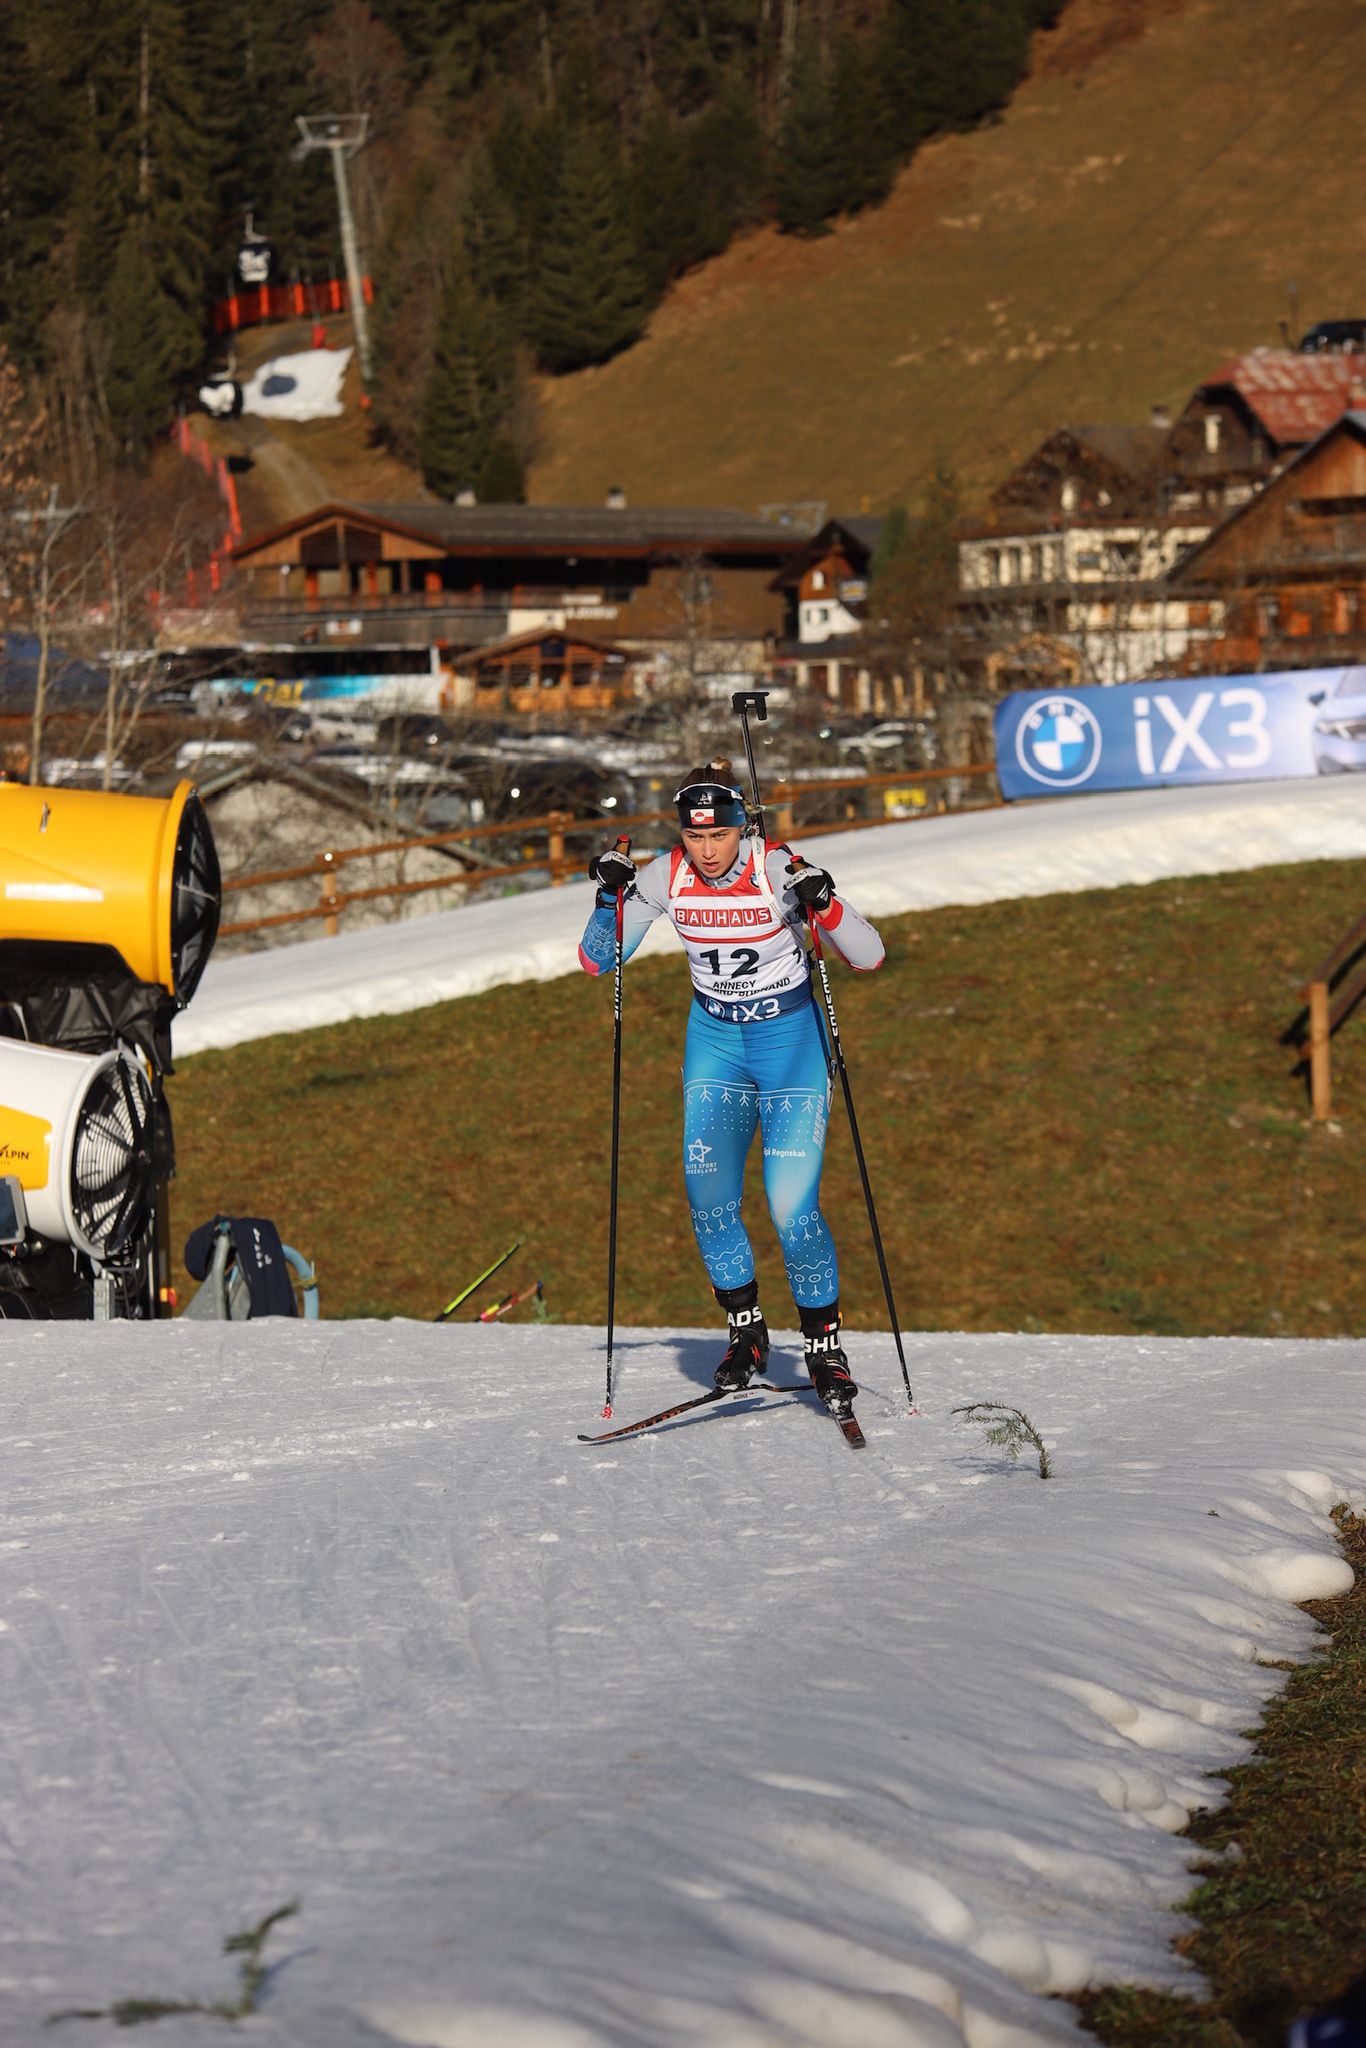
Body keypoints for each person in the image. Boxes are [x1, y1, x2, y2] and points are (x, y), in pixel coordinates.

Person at [578, 758, 885, 1417]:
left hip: (789, 1045)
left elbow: (869, 954)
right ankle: (746, 1335)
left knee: (790, 1206)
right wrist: (609, 897)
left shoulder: (776, 868)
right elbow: (597, 958)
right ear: (681, 834)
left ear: (742, 830)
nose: (708, 851)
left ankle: (824, 1345)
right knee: (709, 1196)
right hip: (717, 1045)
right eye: (695, 837)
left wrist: (823, 904)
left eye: (719, 836)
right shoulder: (667, 875)